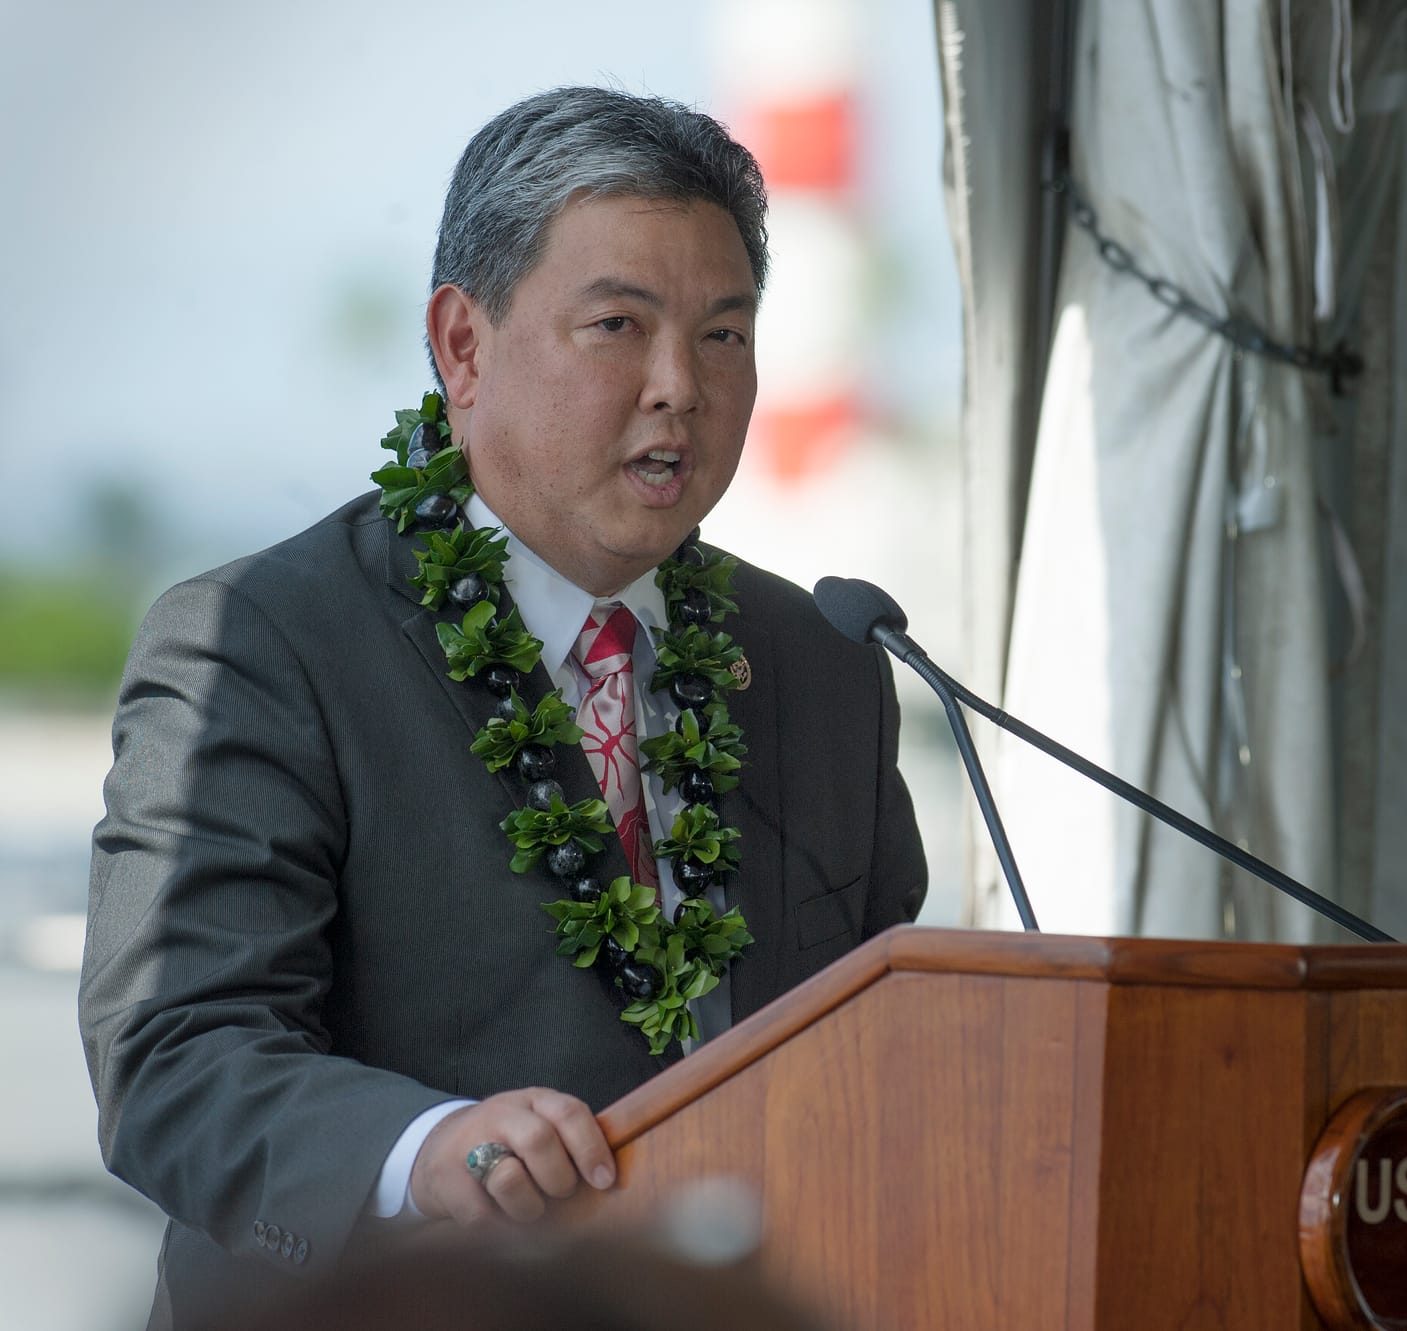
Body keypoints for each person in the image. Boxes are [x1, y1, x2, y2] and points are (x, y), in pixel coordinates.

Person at [80, 86, 926, 1329]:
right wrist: (421, 1150)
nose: (678, 387)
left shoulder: (820, 657)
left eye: (723, 334)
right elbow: (175, 1055)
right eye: (617, 325)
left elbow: (887, 1038)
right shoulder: (261, 641)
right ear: (463, 345)